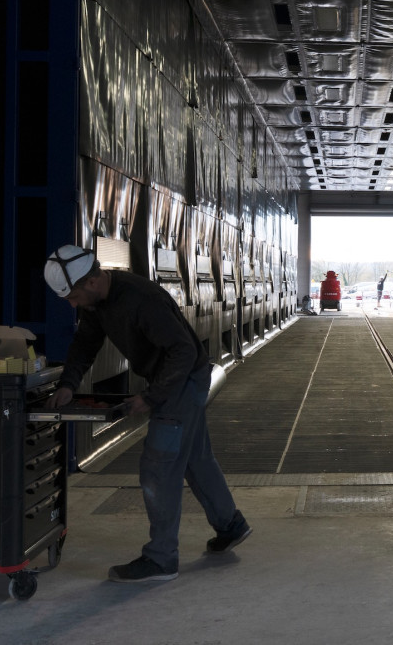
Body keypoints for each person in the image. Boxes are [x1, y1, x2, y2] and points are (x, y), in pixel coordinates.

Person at [42, 244, 251, 584]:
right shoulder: (97, 303)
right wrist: (68, 383)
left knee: (158, 466)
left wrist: (152, 397)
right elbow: (85, 343)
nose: (72, 304)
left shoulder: (141, 299)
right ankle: (230, 525)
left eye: (74, 296)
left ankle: (161, 558)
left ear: (92, 282)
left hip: (182, 379)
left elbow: (182, 350)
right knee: (195, 459)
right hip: (175, 378)